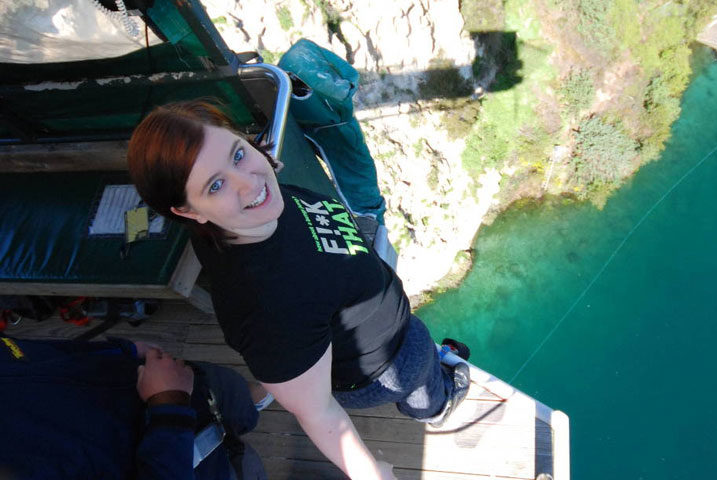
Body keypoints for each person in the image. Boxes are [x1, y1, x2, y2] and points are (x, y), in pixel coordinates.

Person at [126, 100, 470, 480]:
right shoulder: (269, 311)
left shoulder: (239, 220)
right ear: (191, 212)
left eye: (238, 154)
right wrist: (374, 475)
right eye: (216, 184)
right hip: (387, 364)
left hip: (377, 330)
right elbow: (319, 413)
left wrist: (252, 168)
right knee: (423, 378)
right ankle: (438, 406)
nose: (250, 182)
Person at [0, 335, 267, 480]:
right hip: (201, 463)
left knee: (239, 400)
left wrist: (123, 350)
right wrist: (169, 403)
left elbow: (29, 351)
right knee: (247, 463)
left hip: (190, 388)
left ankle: (258, 406)